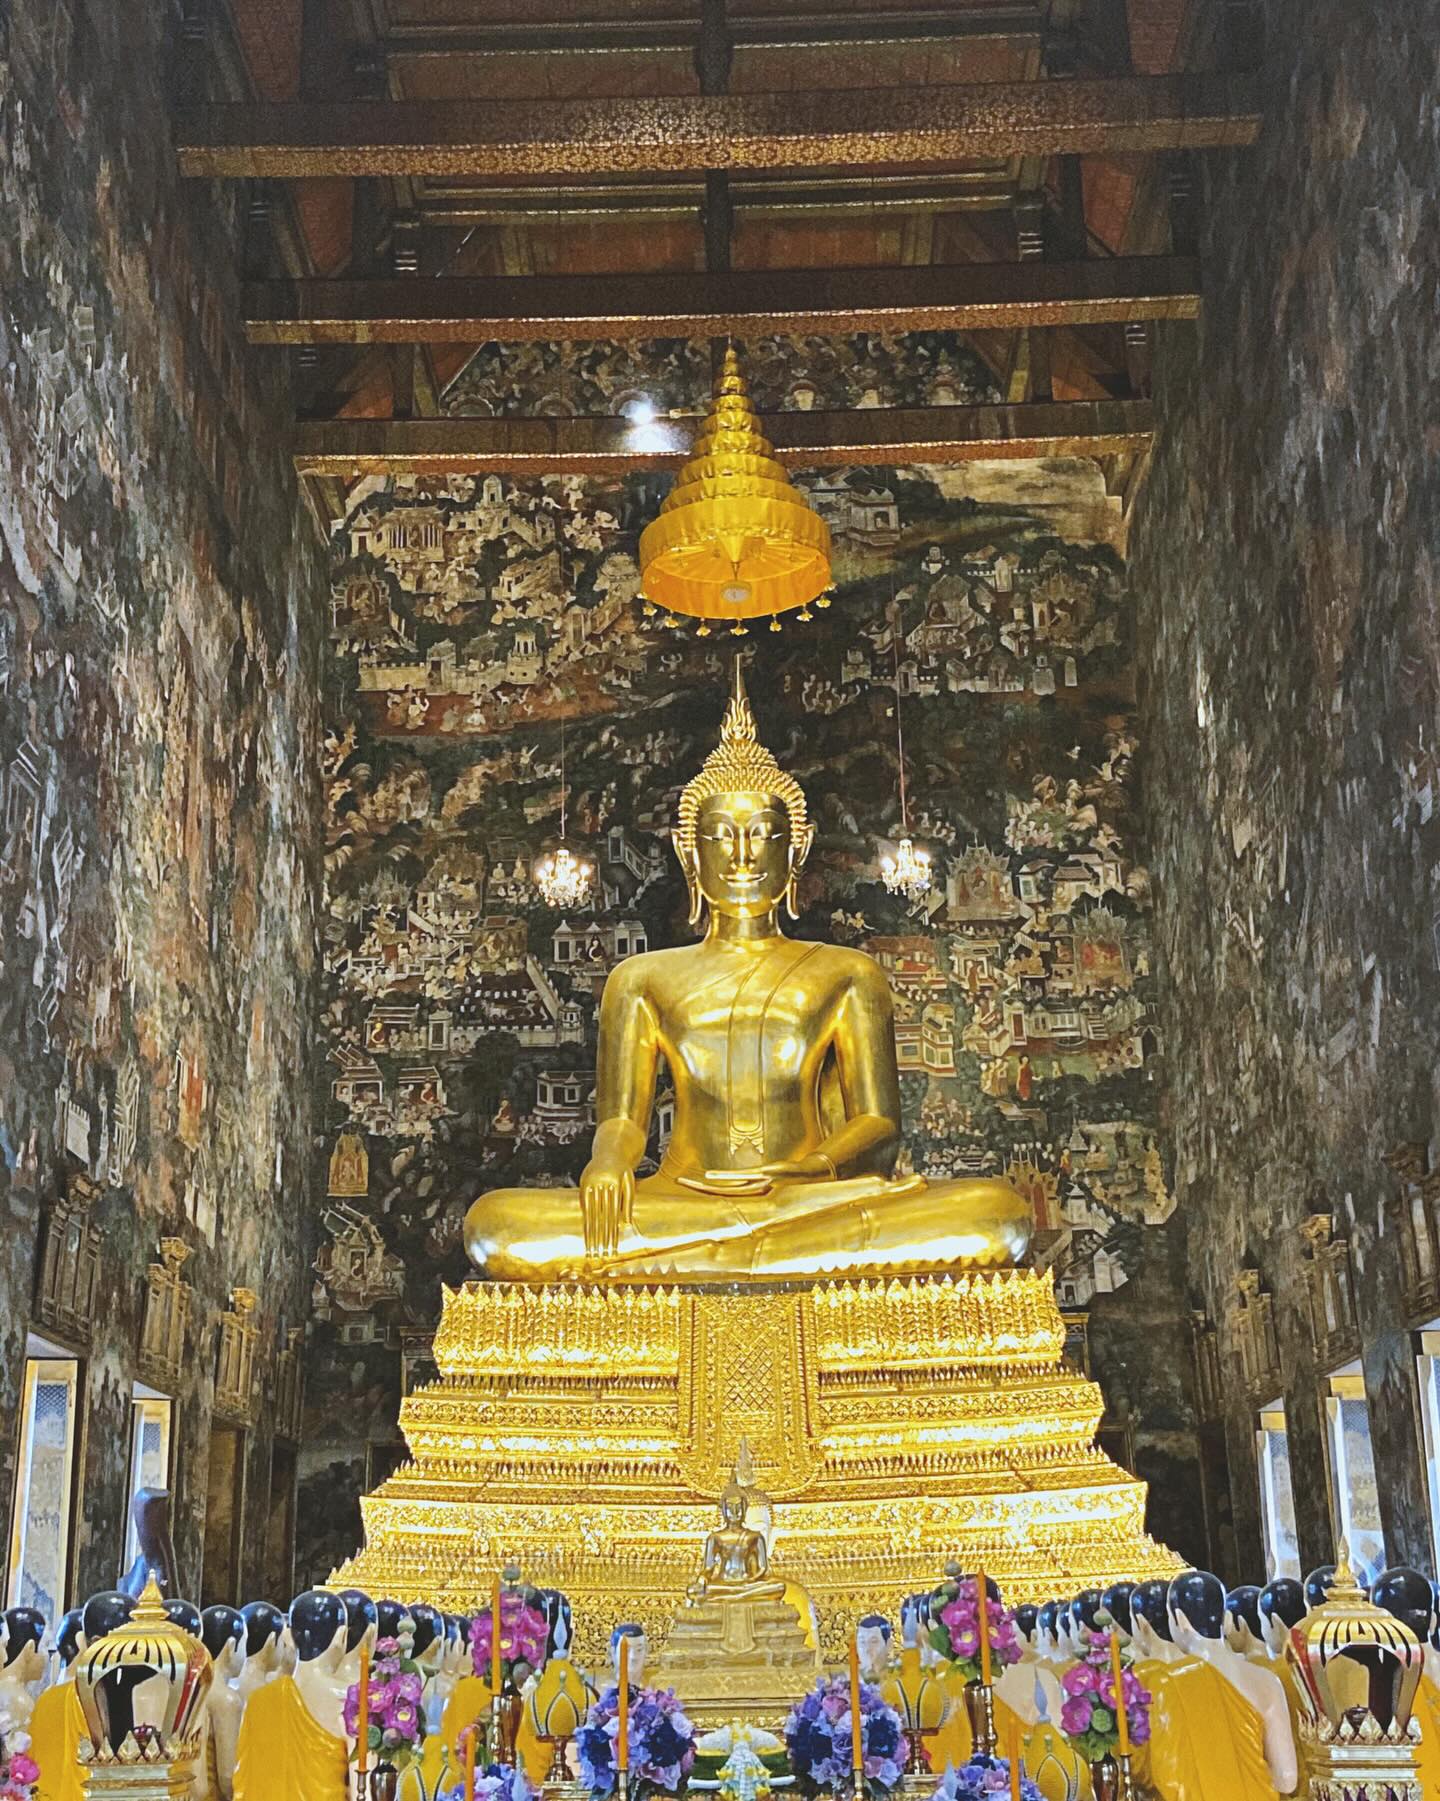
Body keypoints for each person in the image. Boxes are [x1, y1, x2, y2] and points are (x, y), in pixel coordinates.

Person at [465, 665, 1031, 1283]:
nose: (741, 856)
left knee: (994, 1214)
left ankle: (714, 1258)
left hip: (808, 1199)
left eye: (763, 835)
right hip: (680, 1198)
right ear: (690, 853)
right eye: (721, 837)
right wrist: (608, 1165)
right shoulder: (641, 977)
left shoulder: (847, 972)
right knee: (498, 1227)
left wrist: (813, 1170)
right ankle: (749, 1253)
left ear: (795, 850)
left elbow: (877, 1125)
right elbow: (623, 1121)